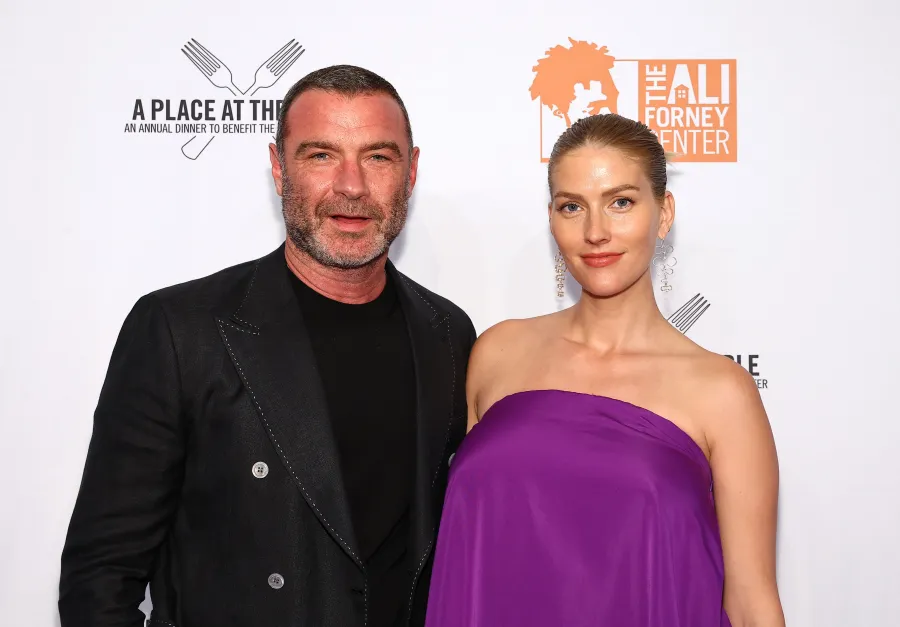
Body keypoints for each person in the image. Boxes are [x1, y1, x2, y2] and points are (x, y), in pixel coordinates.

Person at [58, 65, 476, 627]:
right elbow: (99, 578)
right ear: (279, 168)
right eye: (321, 155)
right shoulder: (181, 330)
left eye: (378, 157)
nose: (351, 186)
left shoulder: (448, 332)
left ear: (411, 170)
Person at [424, 114, 785, 626]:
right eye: (573, 207)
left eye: (621, 202)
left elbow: (751, 604)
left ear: (664, 214)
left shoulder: (721, 392)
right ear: (552, 219)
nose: (596, 232)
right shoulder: (497, 353)